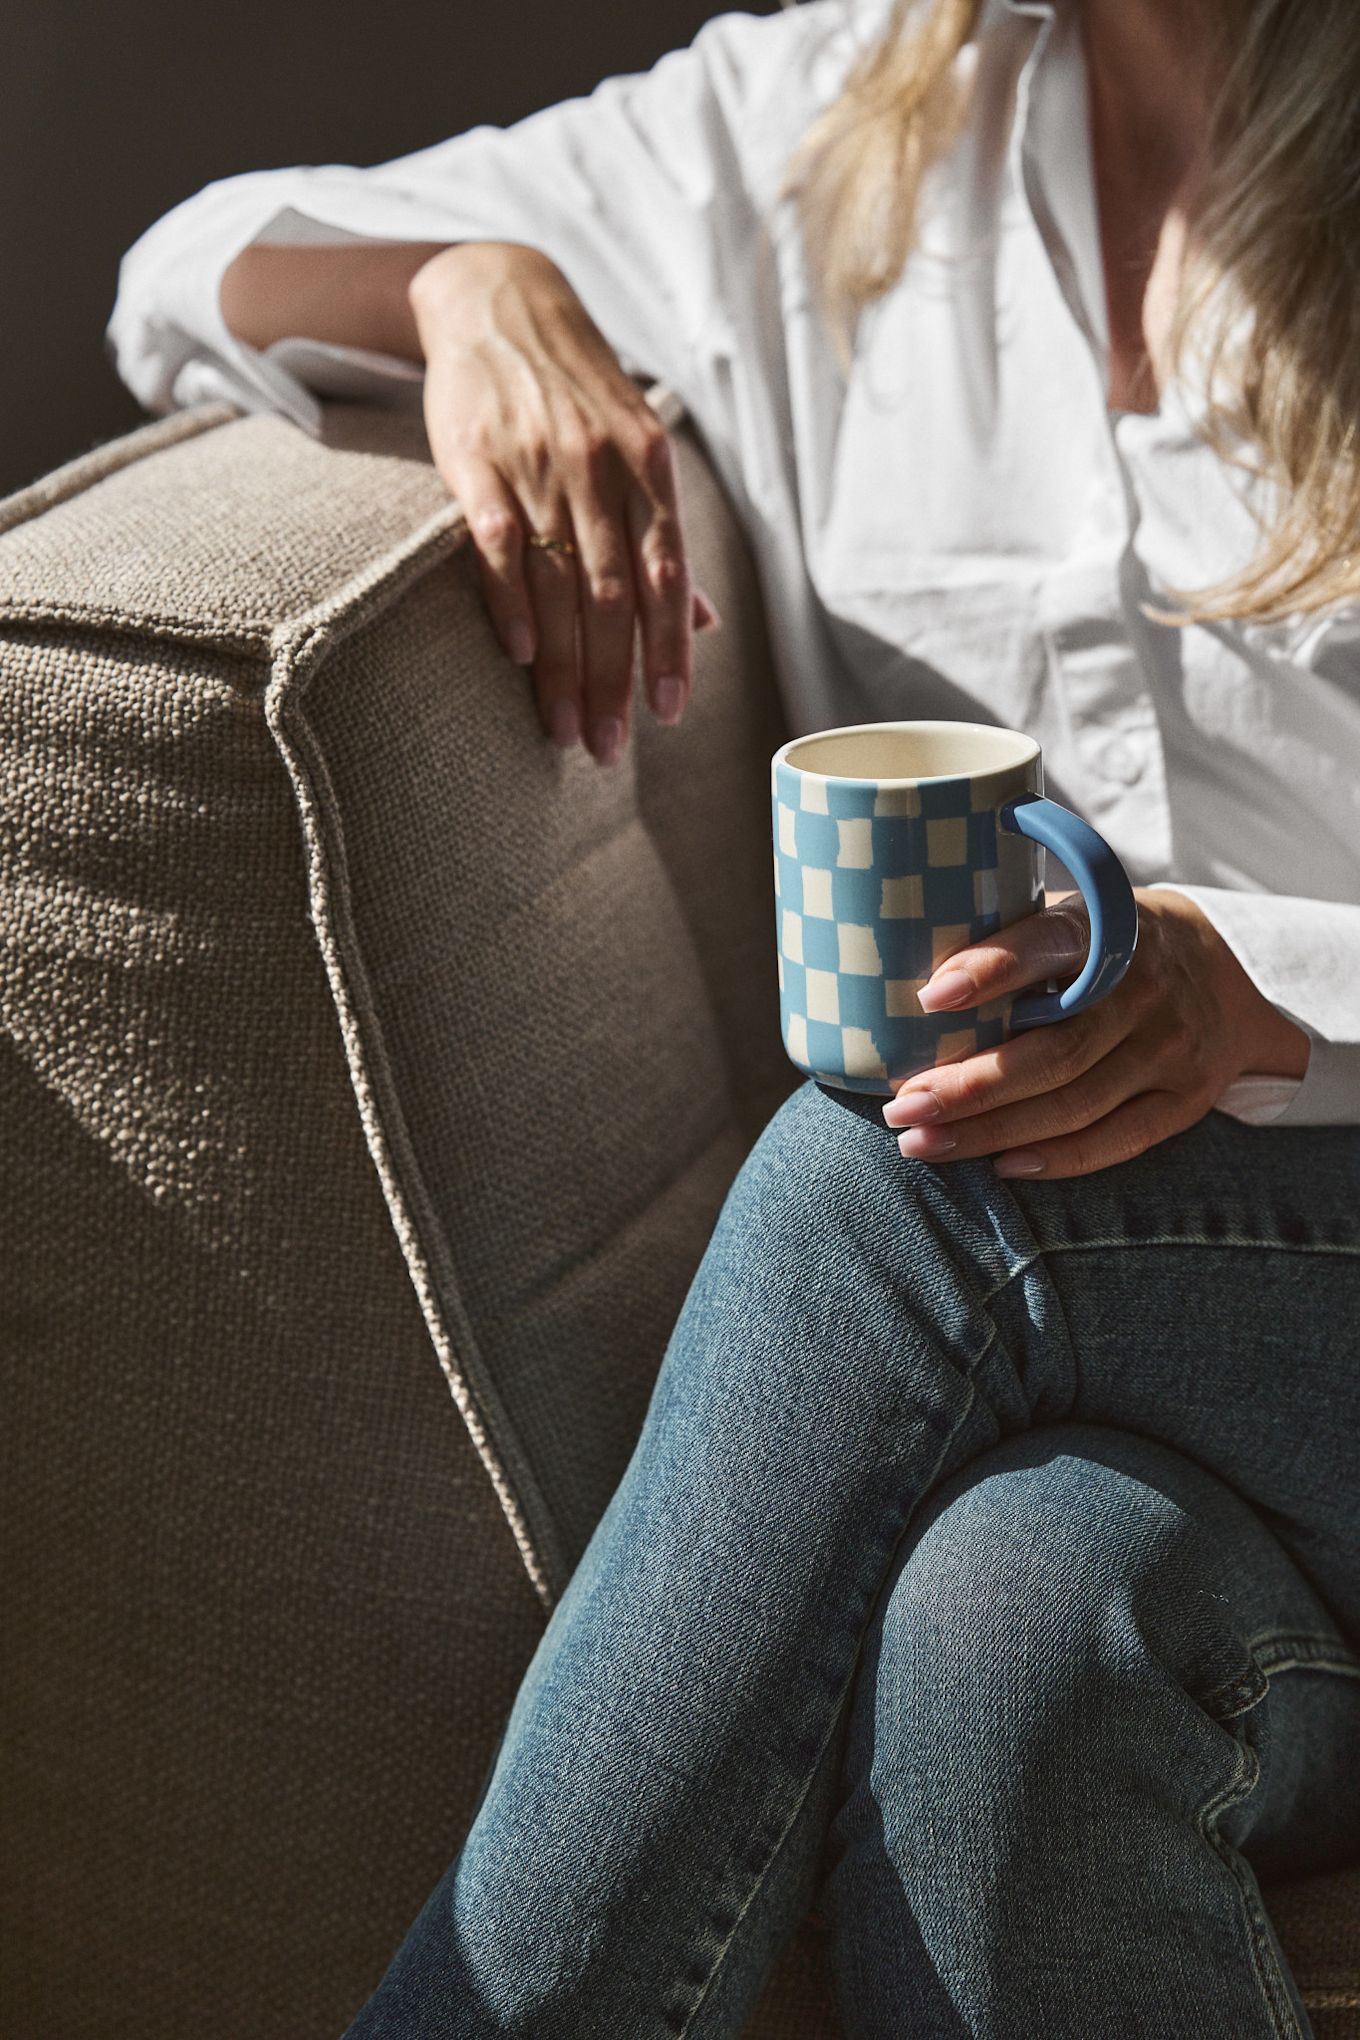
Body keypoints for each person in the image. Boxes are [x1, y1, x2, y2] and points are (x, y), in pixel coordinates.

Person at [107, 0, 1360, 2032]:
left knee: (903, 1168)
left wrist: (1269, 994)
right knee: (1012, 1636)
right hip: (1175, 1396)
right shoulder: (823, 129)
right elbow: (188, 273)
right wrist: (468, 284)